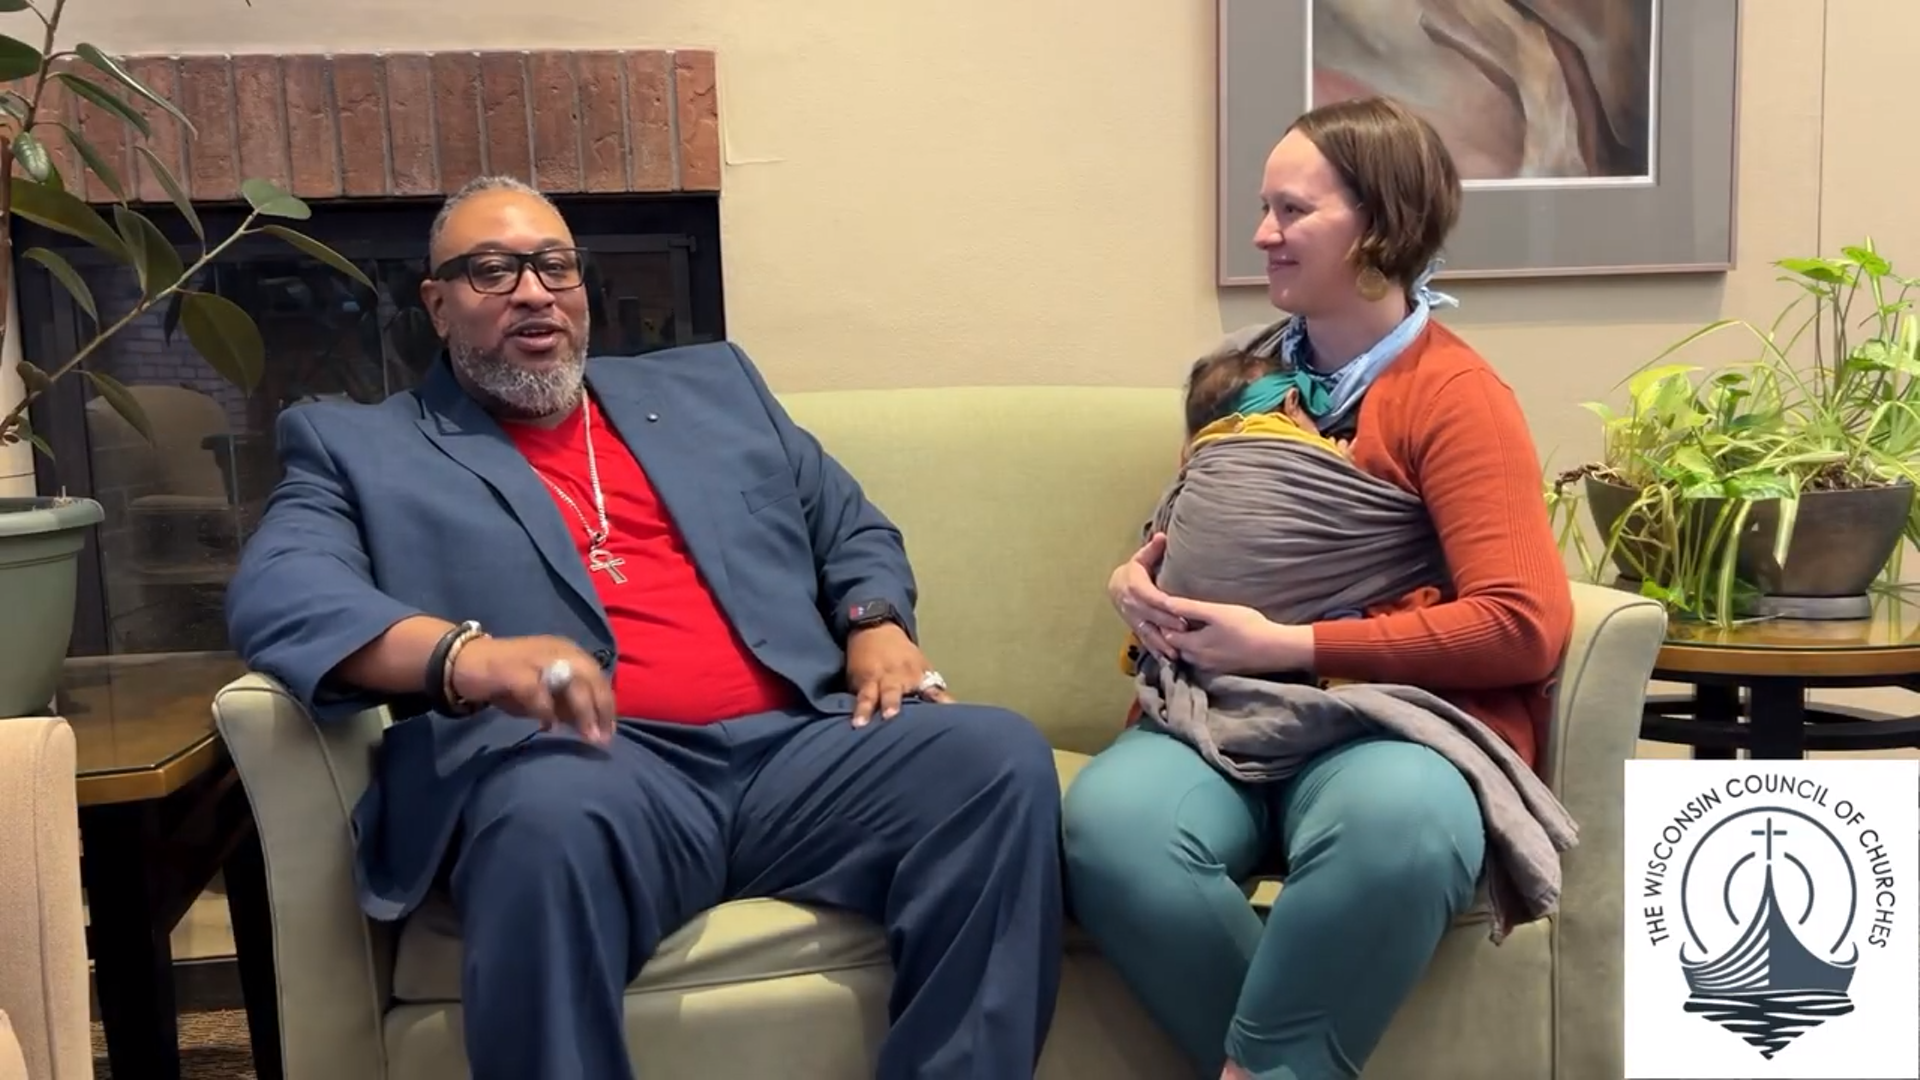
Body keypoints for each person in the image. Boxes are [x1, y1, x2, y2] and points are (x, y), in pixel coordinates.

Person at [226, 175, 1064, 1080]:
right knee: (542, 823)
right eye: (492, 271)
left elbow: (850, 528)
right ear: (436, 305)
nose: (533, 290)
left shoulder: (714, 388)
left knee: (993, 760)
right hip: (593, 770)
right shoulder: (362, 447)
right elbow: (281, 591)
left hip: (797, 755)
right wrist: (468, 657)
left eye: (553, 265)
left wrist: (875, 623)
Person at [1062, 96, 1574, 1080]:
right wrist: (1138, 575)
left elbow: (1522, 625)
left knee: (1405, 826)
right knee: (1111, 826)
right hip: (1211, 717)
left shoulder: (1454, 397)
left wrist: (1291, 645)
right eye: (1264, 207)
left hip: (1382, 725)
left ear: (1378, 226)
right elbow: (1206, 528)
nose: (1263, 235)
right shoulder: (1245, 383)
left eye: (1292, 212)